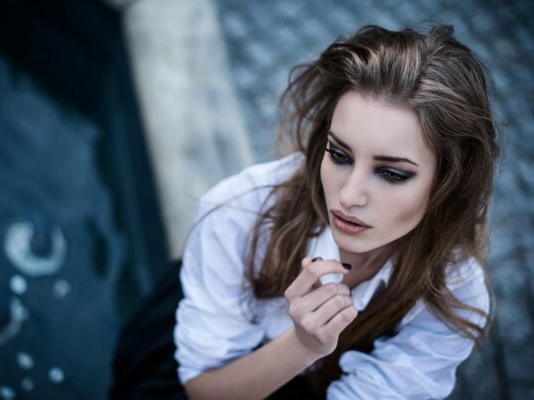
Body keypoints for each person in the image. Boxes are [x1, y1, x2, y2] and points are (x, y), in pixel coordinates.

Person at [173, 24, 499, 400]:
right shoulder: (238, 213)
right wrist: (304, 346)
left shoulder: (455, 291)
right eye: (340, 155)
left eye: (391, 173)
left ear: (449, 182)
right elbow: (203, 390)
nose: (349, 195)